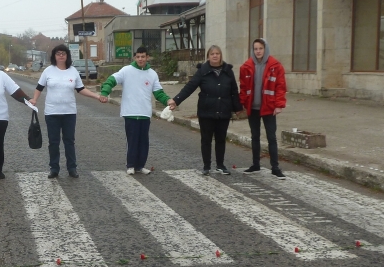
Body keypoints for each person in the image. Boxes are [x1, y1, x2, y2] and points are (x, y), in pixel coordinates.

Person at [29, 44, 106, 179]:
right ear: (54, 56)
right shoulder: (48, 71)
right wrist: (34, 99)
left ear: (67, 56)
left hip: (69, 112)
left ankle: (72, 168)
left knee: (69, 141)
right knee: (53, 141)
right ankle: (54, 168)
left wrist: (97, 96)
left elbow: (80, 89)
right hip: (52, 113)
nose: (61, 55)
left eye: (63, 53)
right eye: (58, 53)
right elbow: (39, 87)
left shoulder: (73, 71)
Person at [168, 45, 242, 176]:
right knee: (206, 139)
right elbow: (190, 87)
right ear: (208, 56)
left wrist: (237, 108)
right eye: (212, 53)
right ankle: (206, 166)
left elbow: (234, 91)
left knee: (220, 139)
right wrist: (176, 100)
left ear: (220, 56)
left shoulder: (227, 71)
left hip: (223, 110)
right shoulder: (203, 70)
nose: (215, 56)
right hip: (206, 111)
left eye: (217, 53)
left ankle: (220, 165)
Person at [99, 46, 171, 175]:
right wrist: (105, 92)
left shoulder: (152, 74)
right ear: (134, 57)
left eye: (143, 56)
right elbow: (112, 80)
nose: (140, 59)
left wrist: (168, 101)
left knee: (144, 141)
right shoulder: (127, 71)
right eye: (138, 57)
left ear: (147, 57)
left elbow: (158, 92)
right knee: (132, 140)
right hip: (130, 112)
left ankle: (140, 166)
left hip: (145, 113)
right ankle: (131, 165)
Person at [239, 38, 287, 179]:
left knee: (271, 137)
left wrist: (279, 105)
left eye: (260, 48)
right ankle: (255, 165)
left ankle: (275, 167)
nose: (258, 51)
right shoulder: (246, 67)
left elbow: (280, 87)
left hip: (269, 108)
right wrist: (242, 104)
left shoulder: (276, 66)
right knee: (255, 137)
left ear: (265, 49)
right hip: (252, 108)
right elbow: (243, 87)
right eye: (255, 49)